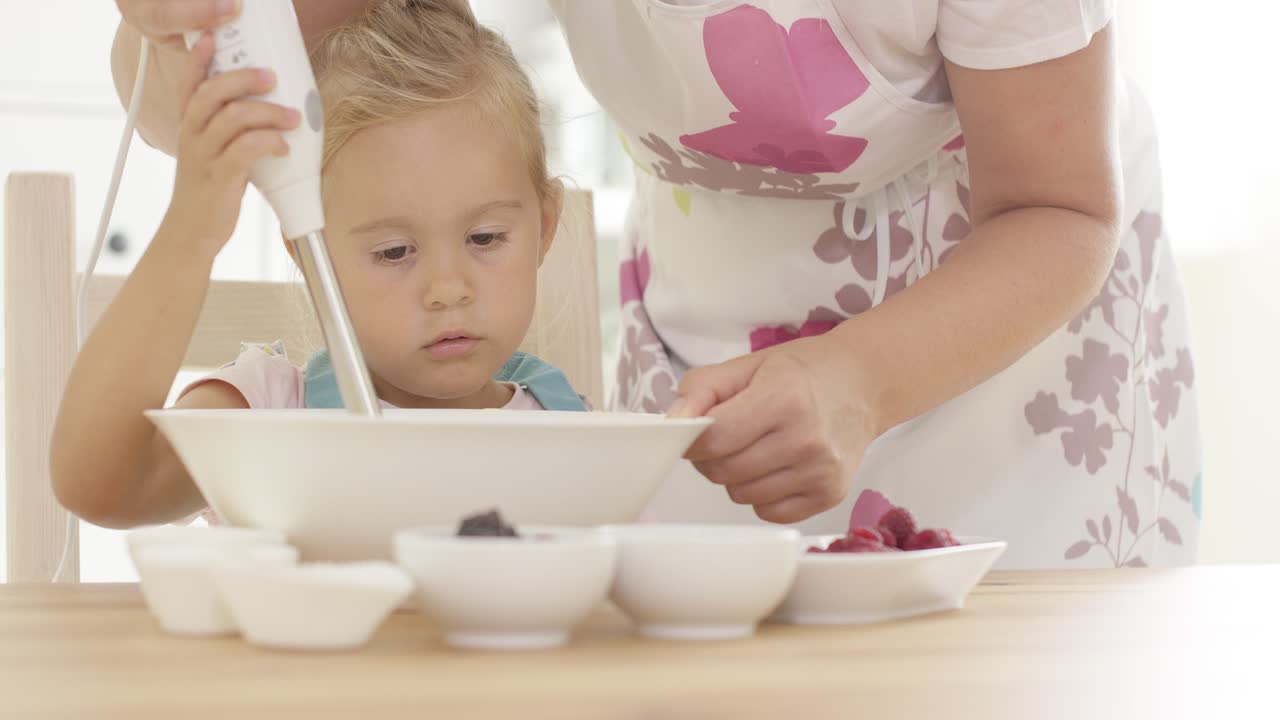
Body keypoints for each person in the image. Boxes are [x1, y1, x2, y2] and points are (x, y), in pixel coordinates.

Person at [106, 0, 1201, 569]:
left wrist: (863, 376)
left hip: (1008, 328)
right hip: (708, 320)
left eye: (487, 238)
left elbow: (1055, 203)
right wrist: (173, 35)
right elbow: (233, 74)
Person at [53, 0, 580, 529]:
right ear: (310, 251)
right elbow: (103, 486)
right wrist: (192, 232)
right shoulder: (269, 415)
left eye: (485, 238)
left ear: (545, 227)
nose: (448, 288)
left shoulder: (575, 432)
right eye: (394, 251)